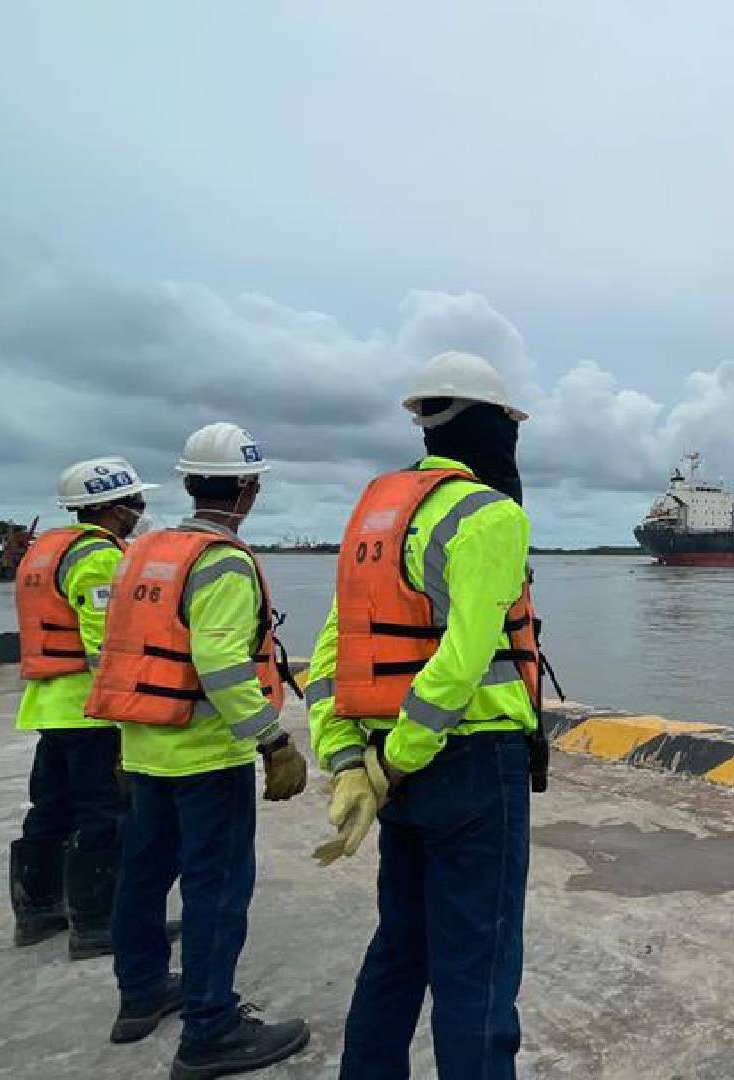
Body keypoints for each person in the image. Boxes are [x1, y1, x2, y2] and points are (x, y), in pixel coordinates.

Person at [306, 350, 544, 1079]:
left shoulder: (377, 515)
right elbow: (463, 662)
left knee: (400, 948)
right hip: (469, 766)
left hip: (391, 766)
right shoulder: (489, 514)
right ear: (496, 427)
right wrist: (394, 760)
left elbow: (330, 657)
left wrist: (349, 760)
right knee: (478, 970)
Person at [84, 422, 312, 1078]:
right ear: (249, 489)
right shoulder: (222, 562)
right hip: (208, 758)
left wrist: (126, 732)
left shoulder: (141, 553)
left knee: (144, 875)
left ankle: (140, 994)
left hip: (143, 746)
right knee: (216, 890)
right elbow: (221, 663)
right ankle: (211, 1028)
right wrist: (272, 739)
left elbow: (113, 649)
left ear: (188, 483)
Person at [8, 458, 156, 958]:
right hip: (90, 710)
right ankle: (97, 924)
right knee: (103, 814)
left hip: (50, 705)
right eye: (135, 502)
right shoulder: (99, 558)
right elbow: (105, 643)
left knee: (50, 809)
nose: (140, 512)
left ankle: (37, 911)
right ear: (114, 507)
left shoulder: (46, 550)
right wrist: (127, 707)